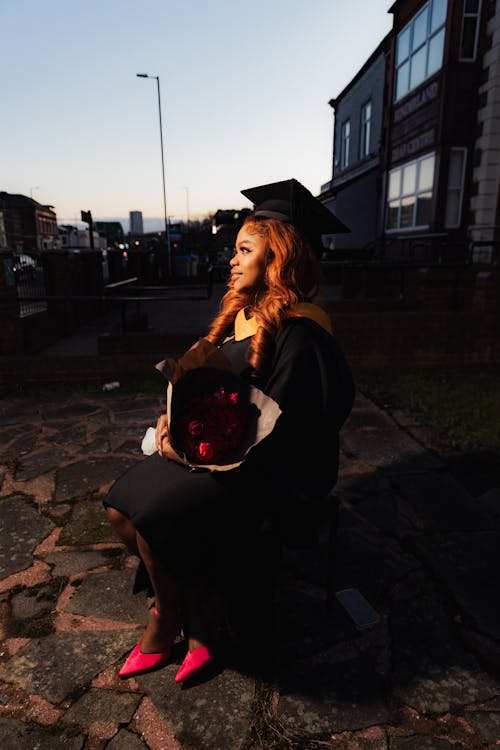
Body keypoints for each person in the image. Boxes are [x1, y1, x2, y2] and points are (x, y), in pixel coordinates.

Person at [104, 177, 355, 683]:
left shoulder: (303, 336)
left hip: (269, 477)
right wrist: (175, 422)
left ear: (278, 259)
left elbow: (280, 440)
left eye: (244, 249)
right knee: (118, 506)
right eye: (233, 251)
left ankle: (168, 618)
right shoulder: (244, 318)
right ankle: (199, 604)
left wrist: (186, 451)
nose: (232, 261)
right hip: (219, 460)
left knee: (152, 517)